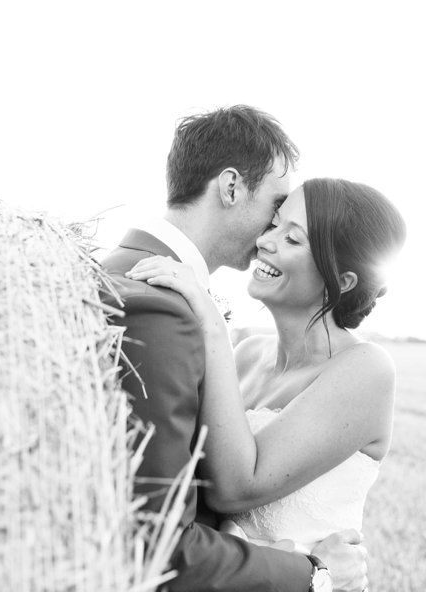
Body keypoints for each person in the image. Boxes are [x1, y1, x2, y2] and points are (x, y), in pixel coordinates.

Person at [100, 106, 368, 592]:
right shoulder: (162, 304)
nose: (270, 234)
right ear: (230, 188)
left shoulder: (124, 270)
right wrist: (313, 574)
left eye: (292, 233)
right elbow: (157, 542)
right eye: (276, 205)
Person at [126, 177, 406, 557]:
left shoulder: (366, 369)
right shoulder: (245, 355)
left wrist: (210, 322)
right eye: (274, 225)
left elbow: (237, 488)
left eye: (293, 239)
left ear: (341, 280)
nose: (264, 242)